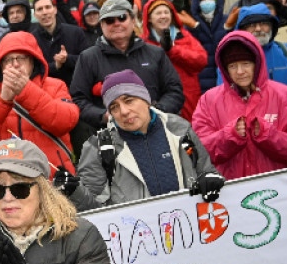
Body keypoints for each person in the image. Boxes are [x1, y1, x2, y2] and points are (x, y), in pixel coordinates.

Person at [192, 32, 287, 240]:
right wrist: (229, 136)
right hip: (231, 196)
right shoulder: (209, 101)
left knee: (285, 255)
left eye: (246, 63)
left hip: (281, 196)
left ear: (257, 62)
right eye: (232, 66)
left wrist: (268, 135)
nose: (240, 72)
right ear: (224, 68)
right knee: (239, 259)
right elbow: (197, 151)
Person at [64, 70, 224, 212]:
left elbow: (205, 170)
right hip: (136, 240)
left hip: (188, 233)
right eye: (114, 107)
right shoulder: (98, 148)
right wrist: (74, 191)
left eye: (129, 100)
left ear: (145, 99)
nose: (124, 112)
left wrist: (209, 181)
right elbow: (94, 212)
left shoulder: (178, 129)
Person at [0, 32, 79, 174]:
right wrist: (2, 100)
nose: (15, 64)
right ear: (1, 66)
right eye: (8, 60)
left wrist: (27, 91)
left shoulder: (56, 86)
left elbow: (66, 121)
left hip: (51, 177)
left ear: (33, 60)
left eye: (21, 58)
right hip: (9, 180)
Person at [69, 0, 184, 129]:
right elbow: (78, 99)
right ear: (101, 25)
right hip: (111, 136)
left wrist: (156, 111)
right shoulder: (88, 58)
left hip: (156, 129)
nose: (116, 23)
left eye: (122, 17)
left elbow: (175, 91)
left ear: (133, 20)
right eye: (109, 20)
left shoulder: (155, 53)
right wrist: (103, 116)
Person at [232, 3, 287, 109]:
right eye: (251, 25)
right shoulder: (231, 58)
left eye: (264, 23)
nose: (258, 29)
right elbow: (227, 96)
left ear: (272, 26)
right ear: (241, 30)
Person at [140, 0, 206, 121]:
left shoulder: (184, 36)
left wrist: (173, 50)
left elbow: (201, 60)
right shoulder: (143, 43)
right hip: (158, 100)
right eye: (158, 13)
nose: (163, 16)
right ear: (149, 18)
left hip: (189, 97)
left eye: (166, 12)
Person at [30, 0, 90, 88]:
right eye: (40, 9)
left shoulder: (75, 32)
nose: (44, 12)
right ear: (35, 15)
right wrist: (55, 66)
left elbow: (88, 61)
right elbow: (33, 70)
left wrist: (67, 59)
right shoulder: (31, 39)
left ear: (55, 9)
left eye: (48, 7)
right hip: (46, 92)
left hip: (76, 90)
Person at [191, 0, 228, 92]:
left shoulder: (225, 20)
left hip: (223, 75)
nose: (207, 2)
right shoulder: (191, 23)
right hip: (202, 77)